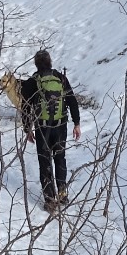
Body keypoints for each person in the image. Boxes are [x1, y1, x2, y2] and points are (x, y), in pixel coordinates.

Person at [19, 50, 81, 209]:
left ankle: (49, 199)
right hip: (60, 126)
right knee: (60, 159)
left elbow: (25, 107)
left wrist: (28, 129)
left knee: (44, 161)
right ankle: (62, 195)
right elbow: (72, 101)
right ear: (50, 61)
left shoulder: (33, 81)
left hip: (42, 127)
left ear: (36, 63)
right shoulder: (60, 78)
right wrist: (76, 123)